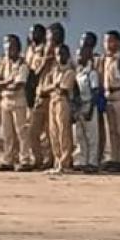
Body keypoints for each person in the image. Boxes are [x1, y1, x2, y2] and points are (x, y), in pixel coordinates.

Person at [0, 35, 33, 172]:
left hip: (18, 101)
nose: (8, 50)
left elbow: (19, 84)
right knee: (7, 133)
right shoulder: (3, 63)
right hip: (5, 100)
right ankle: (8, 159)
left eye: (11, 47)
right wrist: (7, 82)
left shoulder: (23, 65)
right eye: (6, 48)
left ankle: (25, 159)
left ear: (17, 48)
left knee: (21, 132)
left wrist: (3, 85)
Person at [41, 45, 76, 176]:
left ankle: (65, 162)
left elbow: (64, 89)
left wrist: (52, 87)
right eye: (57, 54)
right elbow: (43, 89)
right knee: (53, 132)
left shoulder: (70, 71)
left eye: (62, 54)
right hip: (52, 101)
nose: (60, 57)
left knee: (63, 132)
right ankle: (57, 161)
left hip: (63, 101)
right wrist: (53, 86)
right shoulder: (54, 71)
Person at [100, 31, 120, 173]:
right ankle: (114, 157)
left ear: (118, 42)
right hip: (108, 96)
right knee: (111, 130)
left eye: (111, 41)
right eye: (105, 41)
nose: (107, 44)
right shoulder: (105, 59)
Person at [24, 24, 52, 169]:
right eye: (30, 32)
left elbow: (38, 71)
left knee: (47, 130)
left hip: (45, 92)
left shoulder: (45, 49)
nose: (32, 34)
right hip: (33, 93)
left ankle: (49, 159)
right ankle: (37, 158)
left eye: (35, 32)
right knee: (32, 130)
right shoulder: (30, 50)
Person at [73, 43, 102, 174]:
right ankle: (83, 161)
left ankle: (93, 162)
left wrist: (90, 109)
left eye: (81, 55)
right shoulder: (78, 72)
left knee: (92, 136)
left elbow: (95, 91)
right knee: (80, 135)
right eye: (77, 55)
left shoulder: (92, 73)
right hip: (79, 106)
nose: (78, 57)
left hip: (89, 105)